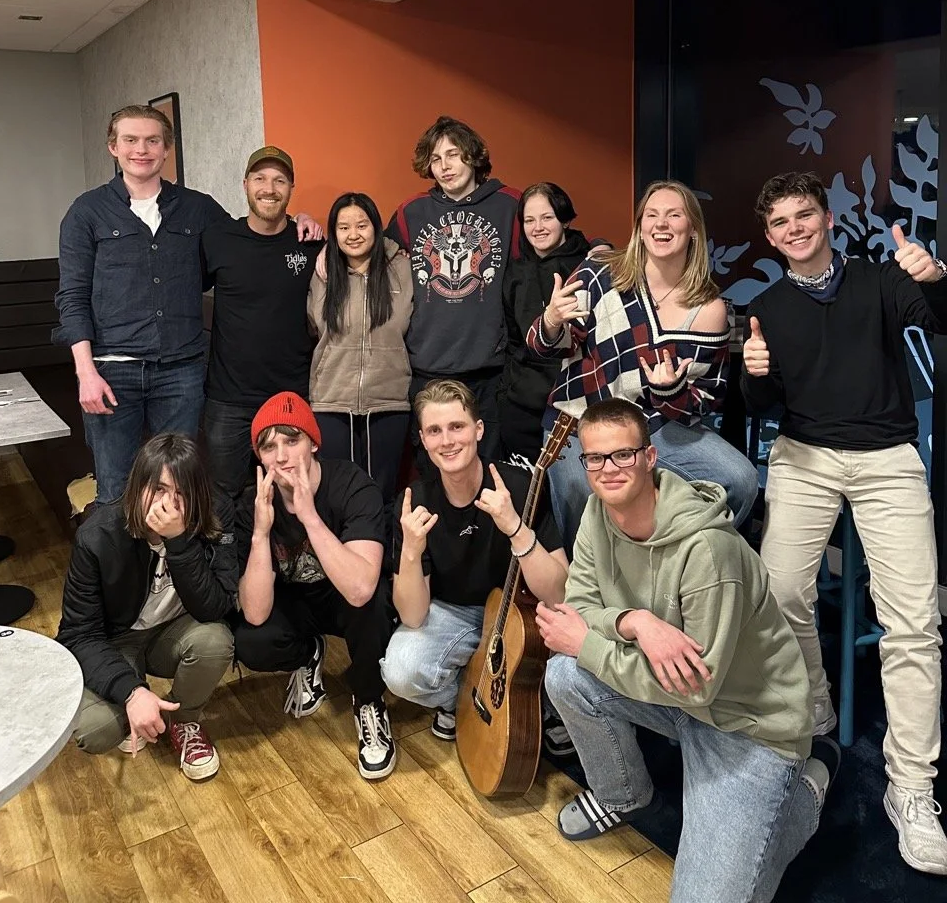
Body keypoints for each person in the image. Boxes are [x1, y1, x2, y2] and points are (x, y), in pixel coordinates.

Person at [539, 399, 838, 903]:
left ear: (650, 457)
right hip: (678, 697)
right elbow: (582, 602)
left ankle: (806, 790)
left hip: (747, 724)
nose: (608, 470)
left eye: (623, 455)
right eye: (595, 458)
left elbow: (697, 688)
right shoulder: (597, 511)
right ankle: (622, 797)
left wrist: (590, 643)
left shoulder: (708, 551)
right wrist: (634, 622)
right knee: (565, 674)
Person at [743, 171, 947, 876]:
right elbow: (763, 406)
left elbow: (939, 317)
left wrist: (935, 276)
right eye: (781, 223)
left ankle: (911, 786)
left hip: (887, 455)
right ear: (770, 237)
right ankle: (817, 713)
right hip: (805, 456)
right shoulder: (767, 307)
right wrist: (755, 372)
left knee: (914, 621)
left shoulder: (880, 281)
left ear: (826, 219)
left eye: (805, 215)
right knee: (780, 595)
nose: (795, 229)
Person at [54, 111, 321, 504]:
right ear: (113, 147)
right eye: (130, 140)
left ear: (166, 149)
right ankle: (121, 547)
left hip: (180, 373)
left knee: (179, 487)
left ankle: (178, 547)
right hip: (111, 372)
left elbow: (251, 237)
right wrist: (85, 373)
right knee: (116, 488)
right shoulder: (87, 212)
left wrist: (300, 220)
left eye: (152, 141)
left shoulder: (198, 209)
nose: (141, 150)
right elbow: (72, 295)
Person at [528, 180, 758, 551]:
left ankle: (668, 558)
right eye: (651, 215)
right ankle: (591, 575)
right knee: (578, 491)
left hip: (652, 426)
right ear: (639, 226)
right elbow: (544, 346)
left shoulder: (709, 309)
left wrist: (671, 391)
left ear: (693, 229)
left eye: (674, 215)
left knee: (739, 479)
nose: (661, 224)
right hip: (580, 419)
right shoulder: (601, 273)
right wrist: (552, 320)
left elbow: (707, 399)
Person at [381, 379, 570, 752]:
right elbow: (413, 616)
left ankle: (537, 708)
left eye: (457, 426)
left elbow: (559, 593)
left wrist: (515, 529)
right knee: (399, 671)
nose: (447, 440)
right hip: (453, 611)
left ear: (478, 430)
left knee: (568, 647)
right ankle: (467, 703)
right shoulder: (414, 501)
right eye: (435, 431)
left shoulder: (519, 486)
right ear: (423, 439)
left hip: (518, 611)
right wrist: (411, 551)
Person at [233, 392, 397, 780]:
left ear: (314, 443)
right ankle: (309, 653)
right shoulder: (253, 503)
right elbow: (254, 612)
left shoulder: (352, 485)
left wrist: (309, 517)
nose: (281, 456)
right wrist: (260, 534)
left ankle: (368, 701)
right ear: (260, 458)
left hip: (348, 600)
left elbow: (360, 587)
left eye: (292, 440)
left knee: (374, 603)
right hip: (296, 602)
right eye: (269, 447)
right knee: (251, 640)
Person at [57, 434, 235, 781]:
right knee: (95, 730)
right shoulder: (97, 536)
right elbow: (78, 635)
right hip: (116, 640)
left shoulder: (215, 515)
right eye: (158, 489)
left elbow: (215, 608)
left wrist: (179, 542)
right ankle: (138, 703)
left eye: (182, 493)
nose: (168, 504)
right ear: (137, 486)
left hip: (172, 632)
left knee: (215, 640)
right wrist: (131, 691)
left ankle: (184, 722)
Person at [386, 116, 521, 469]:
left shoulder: (510, 205)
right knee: (434, 471)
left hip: (488, 370)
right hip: (428, 367)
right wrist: (323, 248)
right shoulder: (411, 212)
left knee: (489, 471)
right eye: (435, 159)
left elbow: (554, 237)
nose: (444, 167)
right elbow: (367, 252)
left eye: (453, 155)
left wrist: (598, 245)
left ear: (473, 156)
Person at [201, 146, 323, 504]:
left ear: (291, 188)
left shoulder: (310, 243)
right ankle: (232, 544)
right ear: (245, 185)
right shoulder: (218, 240)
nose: (269, 188)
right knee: (223, 496)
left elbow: (361, 256)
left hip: (292, 394)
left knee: (295, 490)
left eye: (279, 181)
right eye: (260, 179)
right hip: (229, 398)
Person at [308, 192, 413, 512]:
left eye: (362, 225)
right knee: (337, 494)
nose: (353, 234)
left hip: (389, 399)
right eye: (343, 227)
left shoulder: (401, 267)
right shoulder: (324, 271)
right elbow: (313, 325)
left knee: (382, 493)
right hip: (331, 399)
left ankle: (382, 547)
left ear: (376, 227)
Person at [500, 182, 590, 465]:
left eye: (547, 217)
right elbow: (512, 338)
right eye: (529, 220)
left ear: (565, 220)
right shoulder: (515, 271)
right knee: (524, 484)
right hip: (521, 404)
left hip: (572, 404)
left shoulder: (589, 266)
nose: (537, 227)